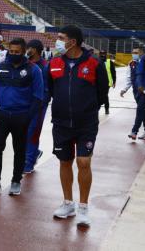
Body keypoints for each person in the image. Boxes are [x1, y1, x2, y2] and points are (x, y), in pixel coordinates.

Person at [48, 25, 108, 227]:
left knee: (84, 162)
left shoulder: (94, 63)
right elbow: (50, 90)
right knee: (64, 162)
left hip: (86, 124)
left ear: (72, 41)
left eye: (60, 38)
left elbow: (102, 93)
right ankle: (68, 203)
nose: (57, 41)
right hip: (61, 123)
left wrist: (87, 110)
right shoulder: (54, 62)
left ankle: (83, 207)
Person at [0, 38, 43, 197]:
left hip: (21, 116)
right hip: (1, 115)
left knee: (19, 149)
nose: (13, 54)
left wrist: (28, 116)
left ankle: (16, 181)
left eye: (17, 52)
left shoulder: (33, 70)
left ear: (24, 52)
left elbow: (38, 97)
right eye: (11, 51)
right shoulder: (1, 67)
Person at [24, 39, 50, 174]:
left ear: (35, 50)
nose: (27, 50)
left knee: (33, 132)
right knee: (24, 132)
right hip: (25, 104)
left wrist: (39, 104)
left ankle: (29, 162)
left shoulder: (44, 66)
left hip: (38, 105)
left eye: (29, 48)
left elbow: (46, 89)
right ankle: (35, 152)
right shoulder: (26, 64)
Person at [120, 46, 145, 141]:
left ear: (141, 53)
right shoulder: (131, 63)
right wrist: (124, 89)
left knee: (140, 109)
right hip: (135, 91)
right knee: (144, 111)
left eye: (136, 52)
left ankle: (134, 131)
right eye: (133, 52)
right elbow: (129, 78)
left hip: (144, 91)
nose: (134, 54)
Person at [99, 50, 116, 115]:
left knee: (105, 96)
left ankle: (106, 109)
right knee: (98, 96)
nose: (102, 55)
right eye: (101, 53)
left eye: (104, 54)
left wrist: (114, 81)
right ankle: (97, 107)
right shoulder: (96, 61)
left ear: (106, 54)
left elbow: (113, 72)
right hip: (98, 82)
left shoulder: (110, 62)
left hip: (107, 83)